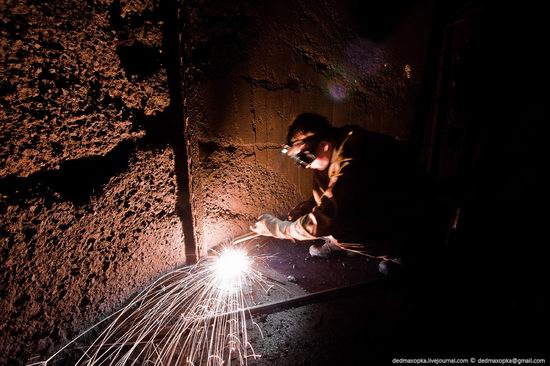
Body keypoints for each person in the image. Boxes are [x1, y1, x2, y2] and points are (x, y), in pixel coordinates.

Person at [250, 113, 433, 271]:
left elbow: (329, 216)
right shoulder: (334, 148)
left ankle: (401, 253)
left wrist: (278, 228)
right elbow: (329, 196)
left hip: (410, 220)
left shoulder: (355, 153)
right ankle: (350, 244)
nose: (303, 165)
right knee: (322, 220)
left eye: (303, 158)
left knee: (337, 230)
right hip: (380, 208)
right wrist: (303, 210)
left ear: (323, 145)